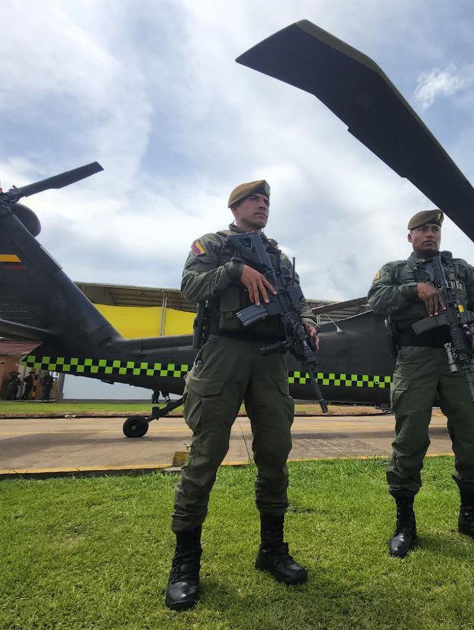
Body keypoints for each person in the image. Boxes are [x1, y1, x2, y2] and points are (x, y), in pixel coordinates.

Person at [165, 180, 320, 611]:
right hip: (223, 353)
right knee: (205, 453)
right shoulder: (212, 244)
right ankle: (186, 563)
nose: (263, 205)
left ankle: (272, 549)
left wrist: (308, 323)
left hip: (271, 360)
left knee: (275, 452)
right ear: (235, 206)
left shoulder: (278, 257)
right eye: (255, 199)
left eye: (267, 201)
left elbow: (300, 301)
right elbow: (190, 288)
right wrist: (235, 270)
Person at [367, 209, 474, 558]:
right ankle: (405, 522)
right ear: (409, 236)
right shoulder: (395, 270)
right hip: (415, 359)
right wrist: (415, 290)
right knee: (410, 437)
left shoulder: (463, 270)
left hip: (459, 360)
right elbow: (377, 301)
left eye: (435, 229)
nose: (430, 234)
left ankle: (470, 516)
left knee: (472, 437)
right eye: (422, 229)